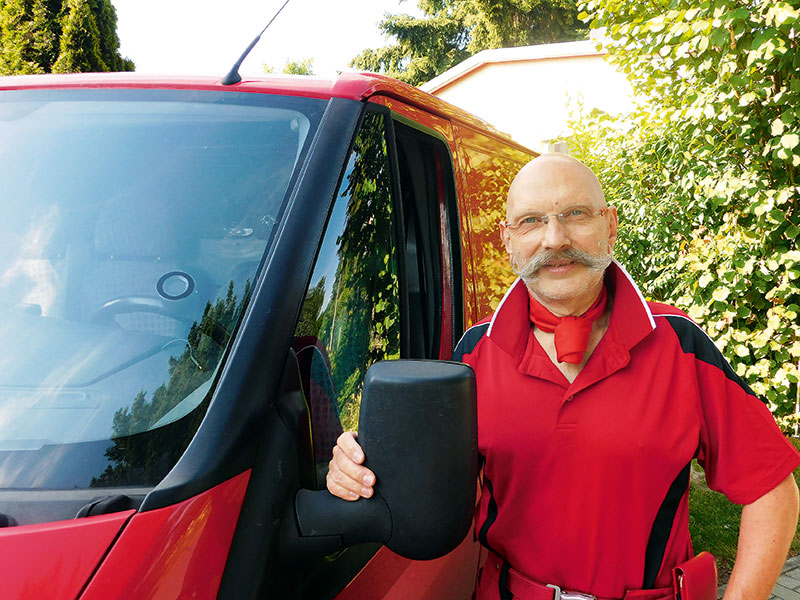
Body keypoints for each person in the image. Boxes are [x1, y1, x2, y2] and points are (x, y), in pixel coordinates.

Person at [326, 154, 800, 600]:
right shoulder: (474, 352)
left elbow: (773, 489)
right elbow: (422, 478)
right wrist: (358, 463)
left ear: (609, 225)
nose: (554, 238)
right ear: (508, 239)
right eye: (532, 220)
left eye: (576, 213)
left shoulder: (678, 343)